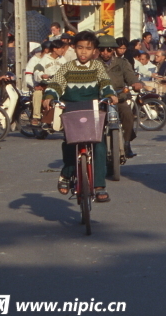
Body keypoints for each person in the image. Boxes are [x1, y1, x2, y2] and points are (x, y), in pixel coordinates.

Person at [42, 31, 117, 202]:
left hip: (93, 109)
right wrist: (50, 96)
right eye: (80, 48)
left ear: (94, 51)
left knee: (98, 145)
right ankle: (66, 173)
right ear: (74, 49)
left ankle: (99, 186)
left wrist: (110, 94)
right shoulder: (67, 67)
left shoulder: (97, 67)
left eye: (88, 49)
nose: (84, 52)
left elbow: (105, 82)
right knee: (70, 143)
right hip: (71, 110)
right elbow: (56, 83)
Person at [98, 34, 140, 158]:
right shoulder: (93, 64)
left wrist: (135, 83)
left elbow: (130, 75)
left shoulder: (122, 63)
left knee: (128, 115)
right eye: (102, 49)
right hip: (100, 99)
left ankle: (127, 143)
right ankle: (95, 146)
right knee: (94, 120)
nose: (105, 53)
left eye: (109, 49)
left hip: (118, 97)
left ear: (113, 50)